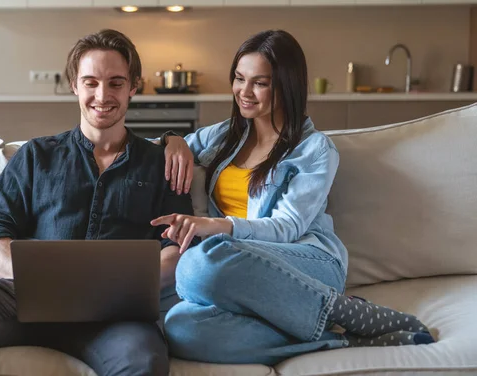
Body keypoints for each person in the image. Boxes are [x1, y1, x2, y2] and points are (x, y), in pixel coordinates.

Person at [0, 29, 195, 376]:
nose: (102, 95)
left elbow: (178, 245)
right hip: (24, 298)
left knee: (144, 362)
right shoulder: (35, 156)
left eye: (116, 83)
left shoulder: (161, 163)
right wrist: (33, 275)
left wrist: (122, 282)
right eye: (91, 82)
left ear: (134, 86)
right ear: (75, 85)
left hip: (115, 314)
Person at [151, 30, 434, 365]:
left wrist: (214, 226)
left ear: (286, 85)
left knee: (197, 265)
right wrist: (173, 140)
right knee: (180, 328)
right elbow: (152, 150)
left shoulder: (315, 150)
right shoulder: (224, 135)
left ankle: (339, 308)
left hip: (305, 261)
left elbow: (287, 226)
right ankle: (337, 337)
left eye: (260, 83)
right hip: (241, 267)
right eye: (239, 79)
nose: (245, 92)